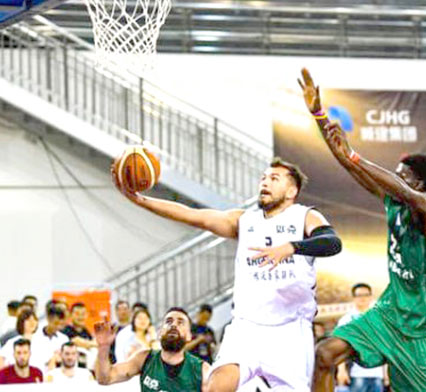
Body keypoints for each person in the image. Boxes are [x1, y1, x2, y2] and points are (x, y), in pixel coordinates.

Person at [112, 155, 342, 392]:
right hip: (246, 327)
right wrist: (140, 200)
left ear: (292, 191)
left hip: (289, 331)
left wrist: (292, 247)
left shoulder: (304, 216)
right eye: (263, 178)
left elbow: (332, 242)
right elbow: (194, 215)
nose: (265, 182)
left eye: (274, 178)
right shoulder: (244, 221)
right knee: (215, 387)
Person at [299, 68, 426, 392]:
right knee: (325, 354)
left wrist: (355, 155)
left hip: (424, 328)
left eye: (401, 175)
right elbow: (347, 160)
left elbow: (405, 193)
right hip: (389, 312)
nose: (393, 179)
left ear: (418, 183)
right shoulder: (393, 202)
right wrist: (319, 116)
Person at [94, 307, 209, 391]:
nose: (173, 325)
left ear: (189, 336)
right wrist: (103, 347)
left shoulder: (202, 370)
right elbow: (105, 378)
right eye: (168, 321)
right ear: (160, 333)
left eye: (180, 322)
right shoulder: (144, 358)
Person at [336, 283, 387, 392]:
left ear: (370, 297)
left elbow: (384, 348)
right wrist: (341, 370)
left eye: (366, 295)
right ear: (354, 298)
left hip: (377, 374)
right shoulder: (346, 320)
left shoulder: (378, 320)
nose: (363, 298)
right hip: (357, 374)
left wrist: (386, 373)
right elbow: (339, 349)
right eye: (359, 295)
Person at [30, 304, 69, 373]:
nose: (58, 327)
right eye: (56, 323)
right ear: (48, 319)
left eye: (61, 324)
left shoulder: (64, 339)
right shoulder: (34, 337)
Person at [62, 302, 96, 367]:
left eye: (83, 314)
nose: (80, 317)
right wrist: (94, 344)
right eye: (77, 314)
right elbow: (77, 341)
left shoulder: (86, 332)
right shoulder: (66, 330)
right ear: (70, 315)